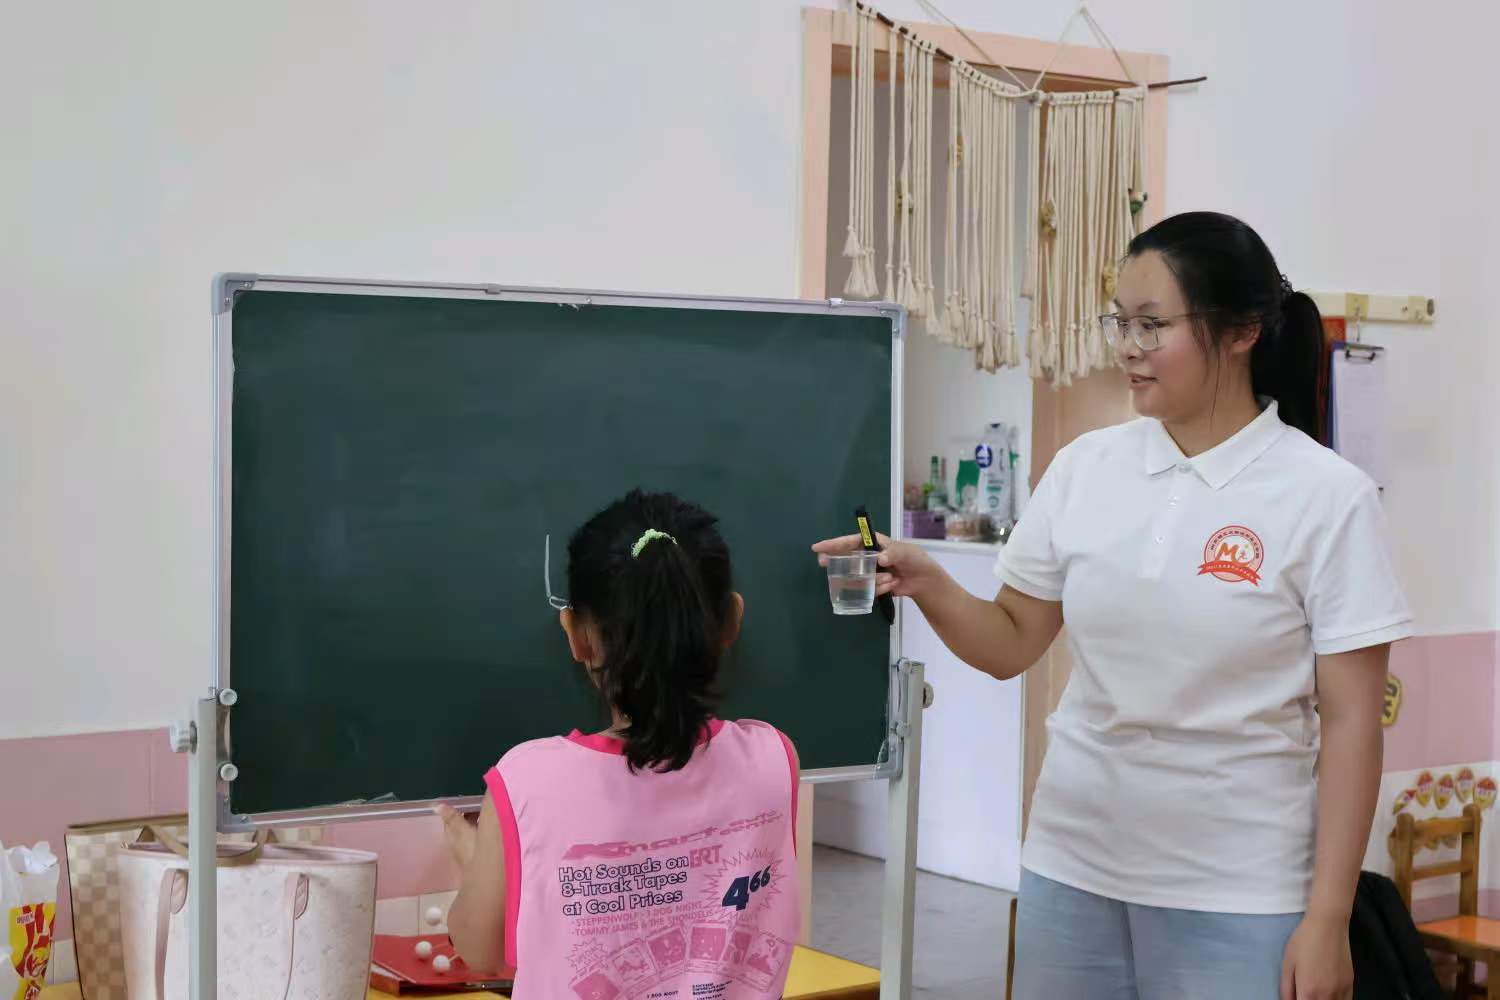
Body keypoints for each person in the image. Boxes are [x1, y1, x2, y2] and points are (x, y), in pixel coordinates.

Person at [815, 212, 1410, 1000]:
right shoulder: (1086, 467)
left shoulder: (1327, 497)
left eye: (1152, 325)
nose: (1127, 346)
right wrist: (926, 579)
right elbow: (1010, 640)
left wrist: (1328, 917)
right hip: (1071, 866)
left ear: (1241, 332)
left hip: (1239, 890)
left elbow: (1353, 723)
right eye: (1119, 322)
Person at [436, 490, 801, 999]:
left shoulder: (527, 784)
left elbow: (482, 952)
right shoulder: (773, 760)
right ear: (731, 621)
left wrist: (472, 855)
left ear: (577, 637)